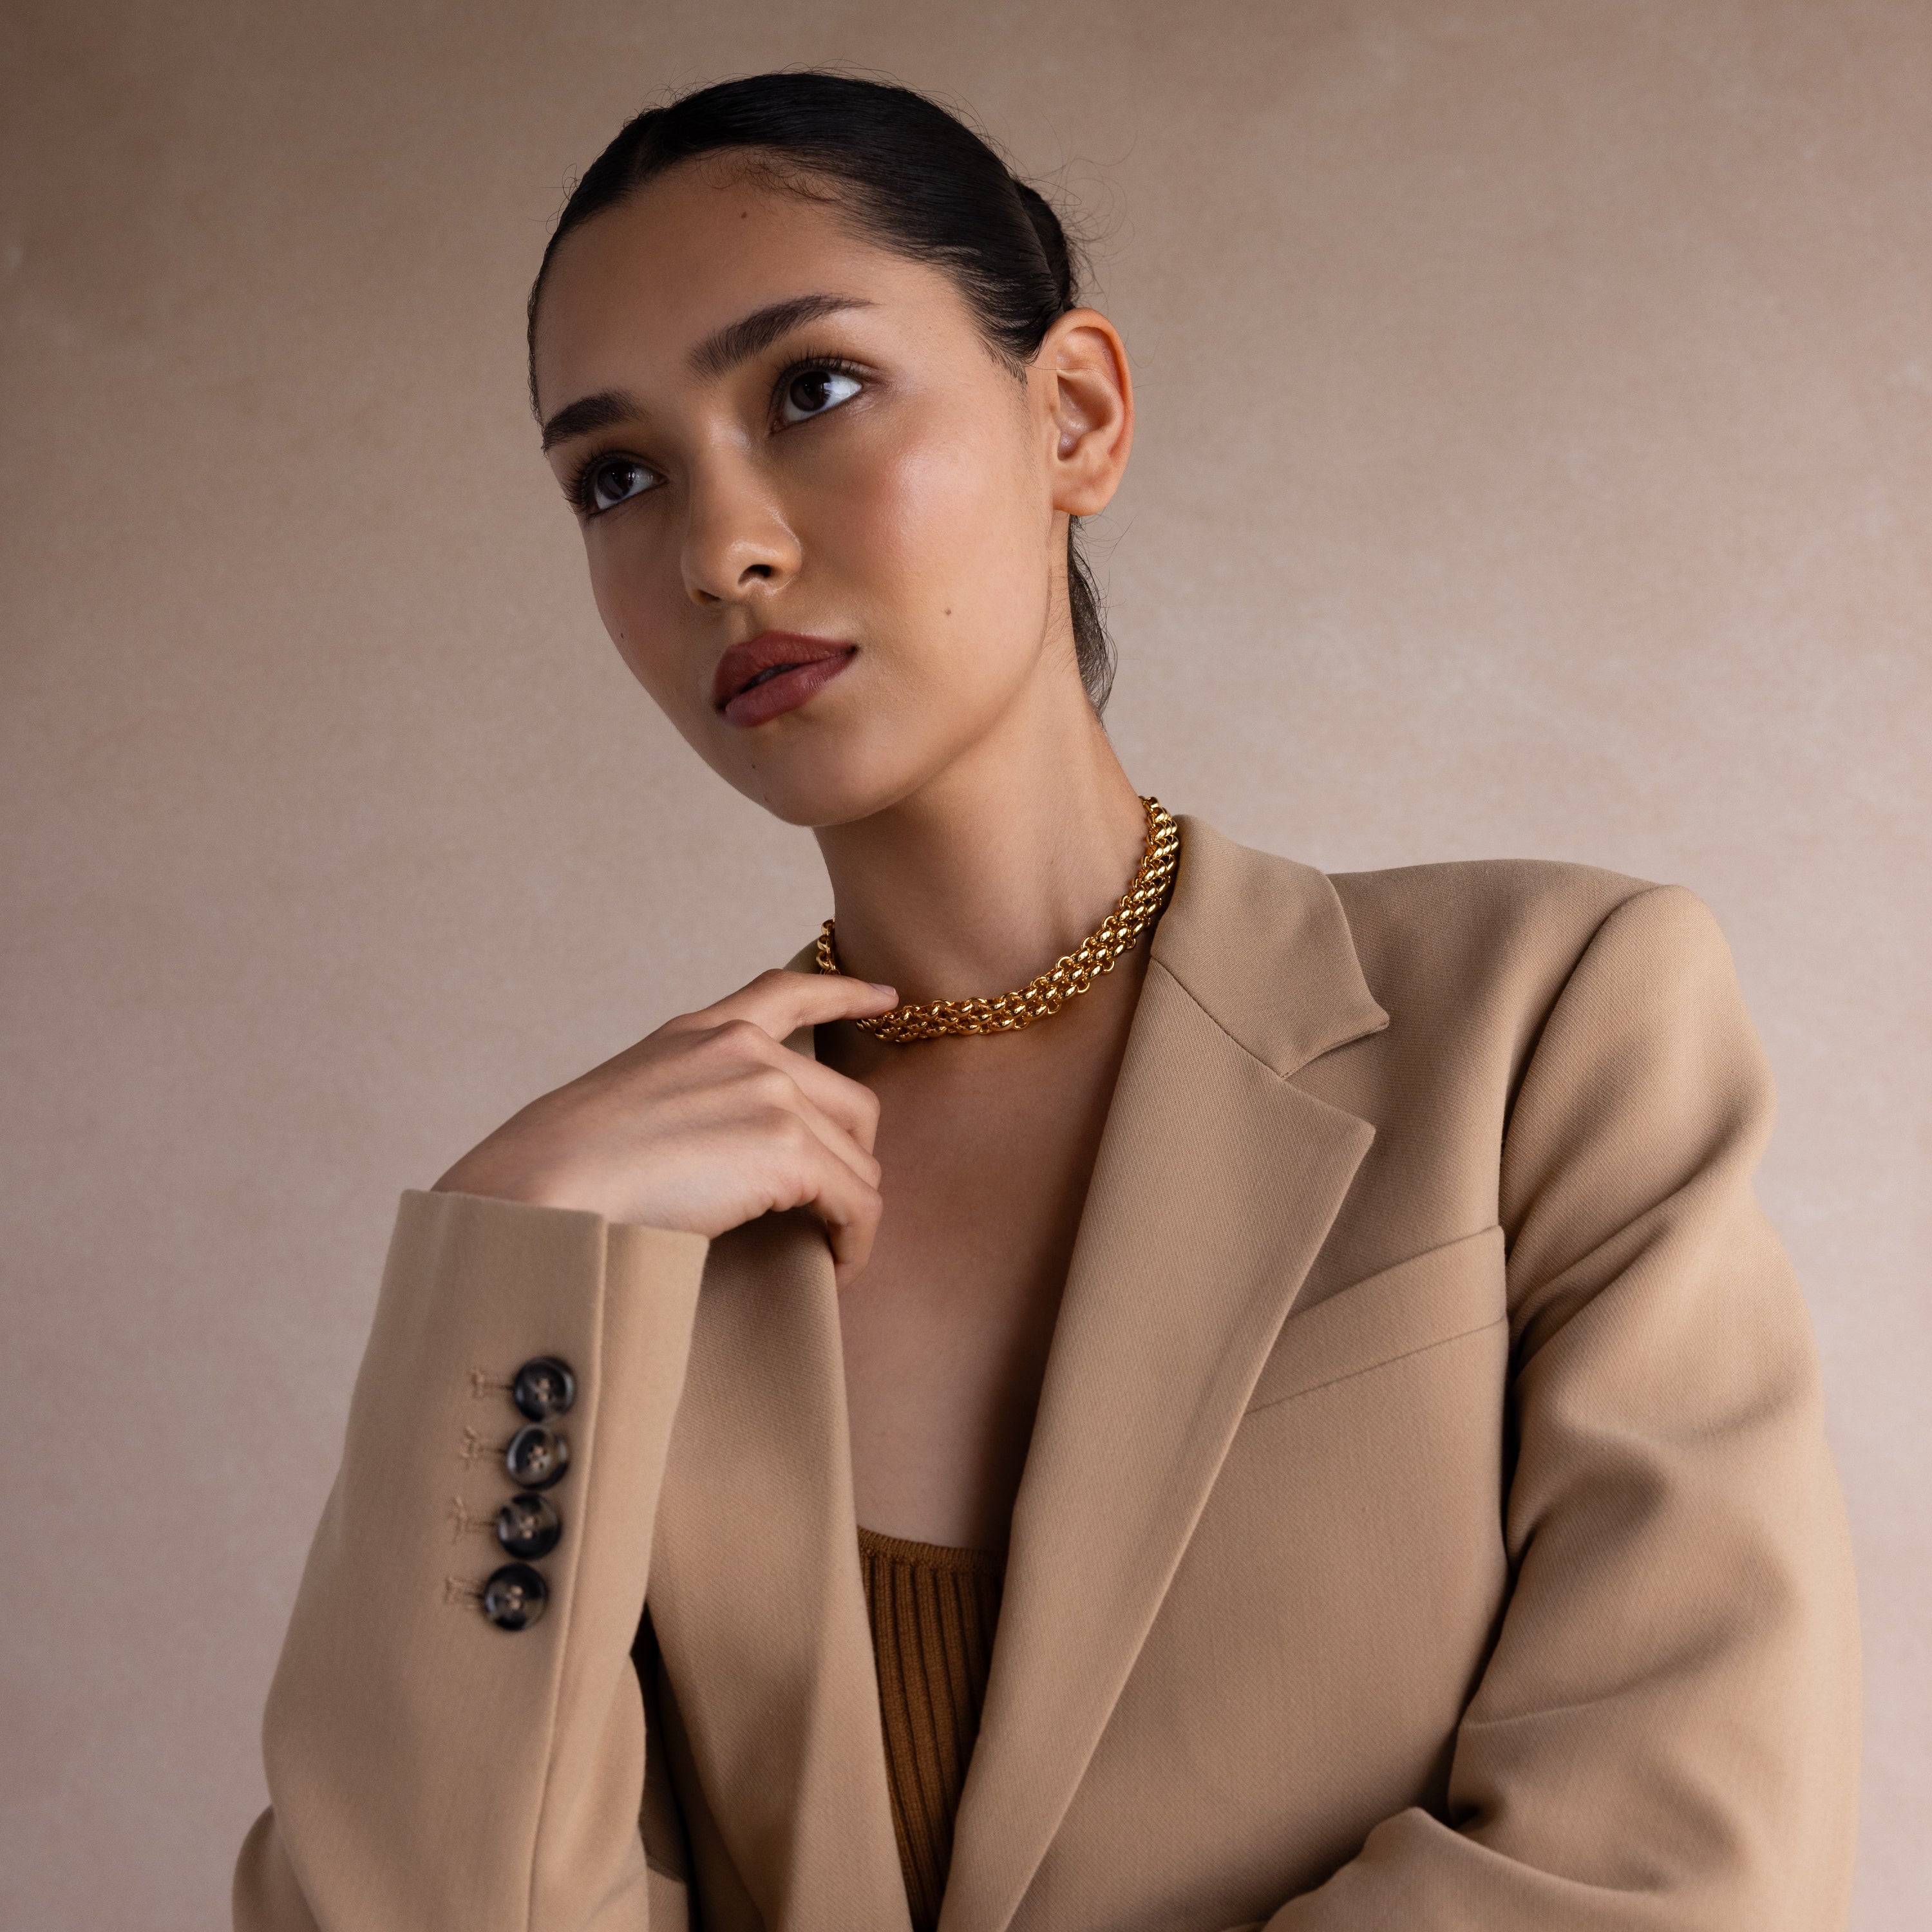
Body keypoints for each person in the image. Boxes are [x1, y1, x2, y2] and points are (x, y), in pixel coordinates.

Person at [233, 71, 1859, 1932]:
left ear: (1072, 413)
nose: (718, 547)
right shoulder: (620, 1243)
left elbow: (1673, 1870)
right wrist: (510, 1263)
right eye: (618, 475)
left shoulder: (1545, 1023)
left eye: (812, 390)